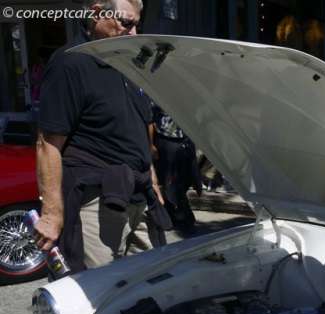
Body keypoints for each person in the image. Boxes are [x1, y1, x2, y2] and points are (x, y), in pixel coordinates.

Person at [34, 0, 169, 273]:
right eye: (126, 23)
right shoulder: (70, 63)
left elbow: (136, 130)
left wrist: (153, 181)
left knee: (148, 281)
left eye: (136, 25)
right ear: (97, 13)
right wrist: (50, 213)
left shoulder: (127, 65)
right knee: (102, 290)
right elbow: (47, 143)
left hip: (138, 194)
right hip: (97, 198)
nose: (133, 33)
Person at [151, 102, 202, 233]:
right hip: (167, 140)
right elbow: (149, 120)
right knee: (172, 181)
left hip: (184, 139)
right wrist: (151, 145)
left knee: (187, 178)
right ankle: (185, 217)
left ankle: (170, 211)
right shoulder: (154, 95)